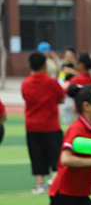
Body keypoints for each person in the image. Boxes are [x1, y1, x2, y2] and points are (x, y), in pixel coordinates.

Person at [21, 52, 65, 195]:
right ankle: (55, 179)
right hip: (51, 125)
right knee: (56, 154)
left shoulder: (25, 83)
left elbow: (26, 98)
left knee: (36, 155)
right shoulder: (52, 82)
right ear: (45, 66)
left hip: (32, 125)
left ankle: (39, 184)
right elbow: (61, 98)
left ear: (29, 66)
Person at [59, 47, 78, 125]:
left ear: (74, 56)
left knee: (77, 110)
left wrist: (71, 71)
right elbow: (60, 78)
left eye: (70, 55)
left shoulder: (76, 66)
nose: (68, 57)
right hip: (66, 93)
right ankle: (67, 125)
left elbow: (79, 74)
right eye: (67, 55)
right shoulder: (62, 66)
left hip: (76, 92)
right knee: (66, 109)